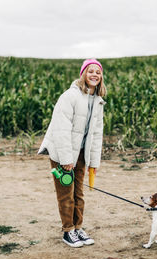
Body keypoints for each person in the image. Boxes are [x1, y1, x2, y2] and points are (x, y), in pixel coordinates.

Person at [38, 59, 106, 248]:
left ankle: (78, 227)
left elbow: (96, 133)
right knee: (66, 194)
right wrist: (67, 159)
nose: (94, 75)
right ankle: (68, 231)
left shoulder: (98, 100)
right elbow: (60, 130)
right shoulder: (69, 96)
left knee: (79, 193)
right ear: (83, 73)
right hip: (63, 152)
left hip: (81, 154)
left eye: (98, 72)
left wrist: (93, 162)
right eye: (90, 71)